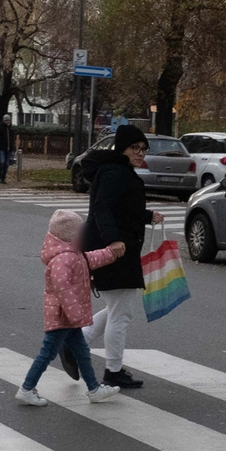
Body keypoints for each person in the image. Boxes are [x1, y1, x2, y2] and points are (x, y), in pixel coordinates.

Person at [72, 124, 164, 390]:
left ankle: (75, 343)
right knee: (121, 313)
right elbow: (103, 208)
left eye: (143, 149)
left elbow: (122, 208)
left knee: (117, 307)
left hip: (117, 247)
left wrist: (147, 216)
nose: (140, 153)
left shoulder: (120, 171)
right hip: (113, 249)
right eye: (135, 148)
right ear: (122, 148)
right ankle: (112, 370)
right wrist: (113, 241)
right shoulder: (115, 172)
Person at [16, 209, 125, 407]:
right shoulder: (63, 259)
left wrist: (110, 254)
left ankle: (93, 389)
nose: (85, 234)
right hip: (63, 318)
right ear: (71, 235)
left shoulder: (74, 254)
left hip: (69, 319)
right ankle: (26, 389)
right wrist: (75, 314)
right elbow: (63, 289)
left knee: (81, 351)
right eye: (81, 231)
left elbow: (91, 259)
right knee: (48, 353)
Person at [0, 114, 15, 183]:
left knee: (6, 164)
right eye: (6, 120)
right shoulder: (0, 127)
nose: (7, 122)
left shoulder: (10, 128)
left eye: (8, 120)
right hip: (2, 148)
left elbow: (12, 139)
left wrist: (12, 148)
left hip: (9, 149)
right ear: (4, 120)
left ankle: (3, 177)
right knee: (2, 162)